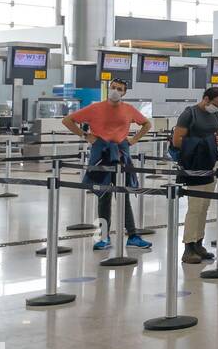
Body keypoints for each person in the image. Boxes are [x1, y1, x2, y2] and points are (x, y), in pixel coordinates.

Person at [62, 78, 153, 253]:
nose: (115, 91)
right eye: (113, 87)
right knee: (103, 196)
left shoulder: (128, 109)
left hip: (121, 154)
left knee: (124, 195)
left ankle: (132, 236)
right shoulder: (95, 108)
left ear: (124, 93)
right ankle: (103, 237)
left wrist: (134, 139)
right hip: (101, 154)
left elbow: (146, 124)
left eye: (119, 89)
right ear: (108, 88)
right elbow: (68, 120)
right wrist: (85, 135)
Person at [172, 86, 218, 264]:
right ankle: (188, 246)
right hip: (194, 164)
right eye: (214, 104)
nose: (216, 108)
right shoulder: (189, 114)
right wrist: (208, 142)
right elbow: (177, 141)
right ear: (205, 99)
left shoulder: (214, 115)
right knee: (195, 206)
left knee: (205, 206)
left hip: (210, 163)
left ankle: (199, 243)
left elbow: (216, 139)